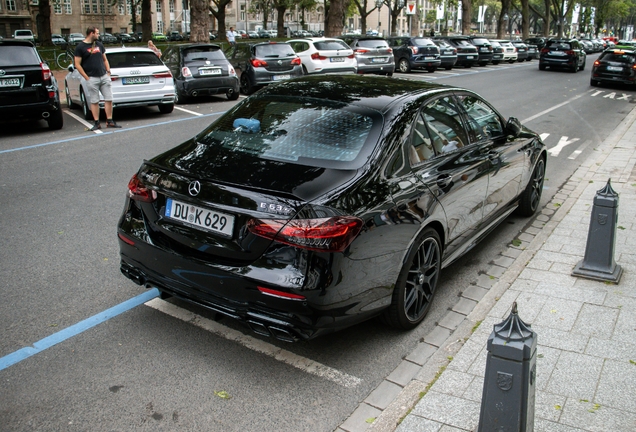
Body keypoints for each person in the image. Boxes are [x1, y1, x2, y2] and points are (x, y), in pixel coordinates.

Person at [74, 26, 121, 131]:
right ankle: (96, 122)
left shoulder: (99, 45)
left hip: (103, 76)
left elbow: (105, 59)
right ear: (91, 33)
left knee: (109, 98)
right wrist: (86, 77)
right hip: (91, 77)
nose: (98, 35)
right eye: (97, 33)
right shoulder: (80, 47)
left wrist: (108, 71)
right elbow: (77, 64)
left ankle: (110, 120)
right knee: (94, 100)